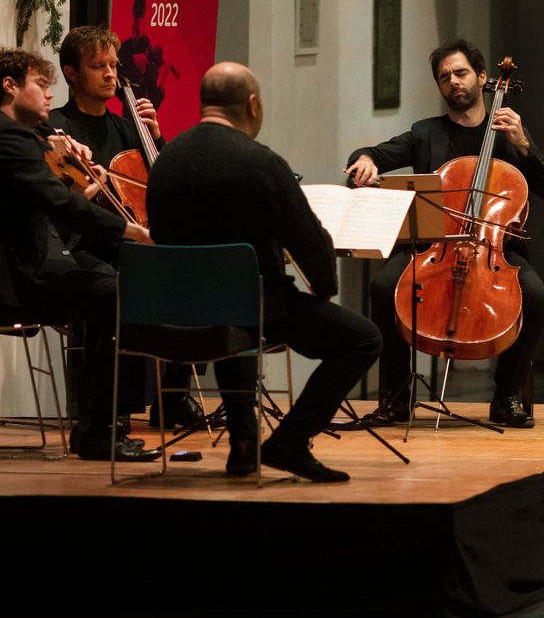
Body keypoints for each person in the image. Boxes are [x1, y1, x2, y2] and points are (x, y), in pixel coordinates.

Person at [146, 62, 381, 482]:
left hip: (174, 310)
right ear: (252, 104)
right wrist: (324, 287)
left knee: (231, 318)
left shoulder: (166, 161)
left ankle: (244, 444)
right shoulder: (260, 163)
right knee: (363, 339)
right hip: (256, 306)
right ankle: (290, 441)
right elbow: (309, 240)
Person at [0, 48, 157, 462]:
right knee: (114, 294)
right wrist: (131, 230)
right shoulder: (7, 136)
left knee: (105, 291)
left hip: (2, 269)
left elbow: (50, 193)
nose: (47, 96)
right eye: (40, 85)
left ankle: (93, 430)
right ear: (9, 86)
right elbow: (59, 202)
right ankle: (98, 433)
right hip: (4, 278)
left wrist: (72, 166)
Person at [345, 39, 544, 428]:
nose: (453, 82)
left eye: (460, 73)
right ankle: (396, 399)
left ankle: (506, 396)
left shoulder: (508, 135)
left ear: (482, 77)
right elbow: (375, 153)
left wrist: (524, 144)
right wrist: (364, 160)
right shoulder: (425, 133)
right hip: (434, 246)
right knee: (383, 287)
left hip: (495, 249)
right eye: (444, 77)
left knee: (537, 296)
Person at [46, 25, 204, 430]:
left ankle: (174, 395)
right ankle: (110, 404)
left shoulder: (127, 128)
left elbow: (166, 186)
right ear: (71, 73)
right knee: (126, 281)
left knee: (191, 274)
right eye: (98, 66)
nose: (110, 75)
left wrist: (156, 137)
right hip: (82, 245)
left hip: (130, 239)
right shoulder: (55, 129)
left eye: (113, 65)